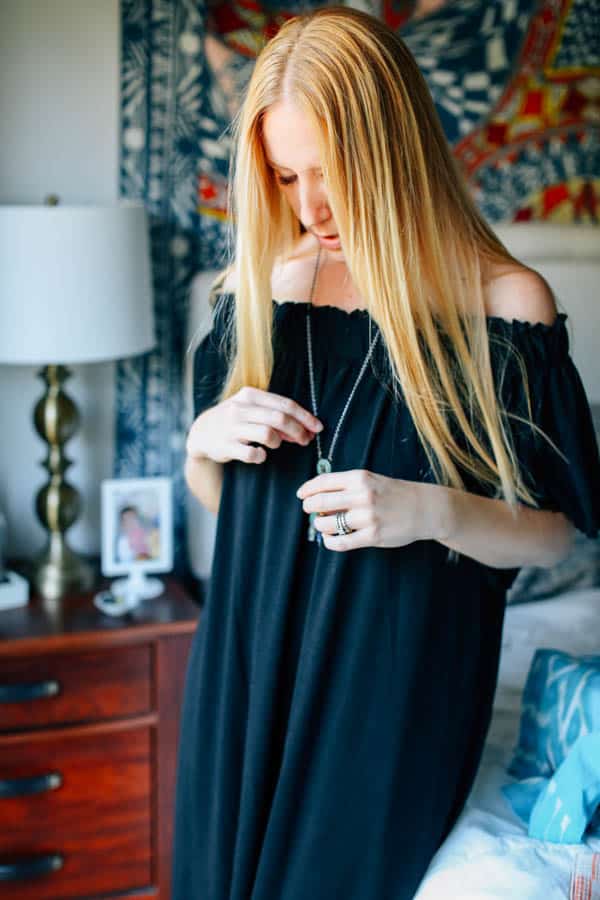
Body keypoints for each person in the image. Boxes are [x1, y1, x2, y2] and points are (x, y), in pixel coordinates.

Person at [172, 7, 600, 899]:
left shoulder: (507, 307)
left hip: (394, 688)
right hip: (245, 670)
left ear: (393, 150)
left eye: (331, 172)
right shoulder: (255, 289)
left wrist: (427, 510)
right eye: (285, 176)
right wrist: (203, 442)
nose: (310, 207)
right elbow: (225, 501)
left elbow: (559, 536)